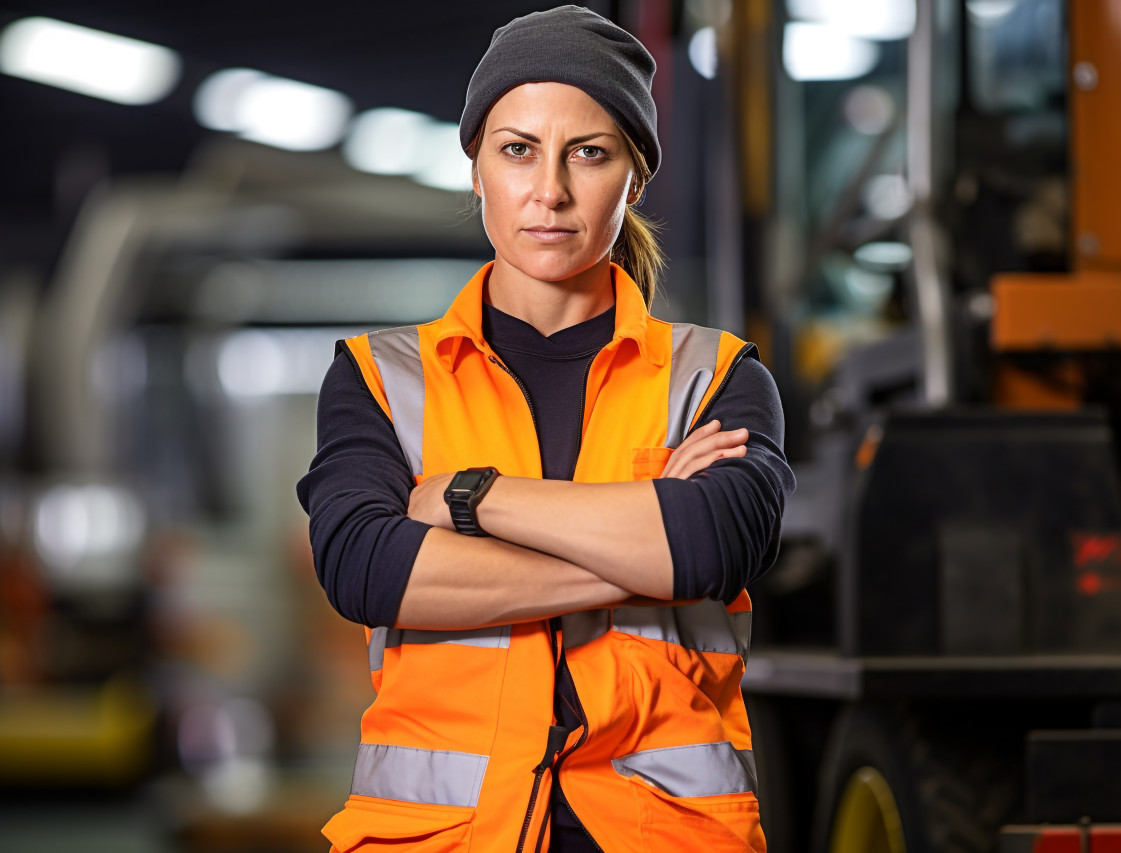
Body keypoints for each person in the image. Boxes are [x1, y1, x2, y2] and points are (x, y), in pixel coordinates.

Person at [296, 6, 795, 851]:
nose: (550, 191)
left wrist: (467, 497)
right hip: (445, 837)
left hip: (655, 834)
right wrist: (643, 549)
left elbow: (710, 544)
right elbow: (366, 568)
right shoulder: (382, 377)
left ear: (634, 178)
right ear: (477, 169)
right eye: (517, 149)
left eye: (589, 153)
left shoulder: (717, 377)